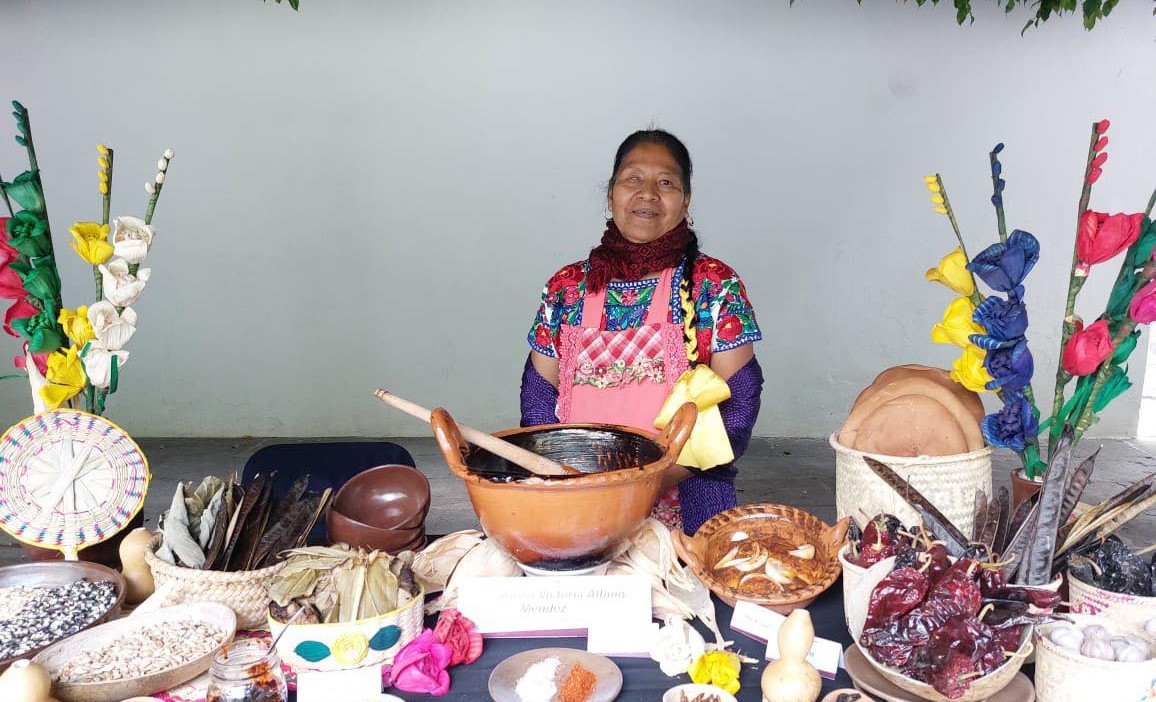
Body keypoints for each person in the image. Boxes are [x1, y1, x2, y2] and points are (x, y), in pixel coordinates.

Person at [519, 128, 764, 535]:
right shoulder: (568, 287)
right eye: (633, 178)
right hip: (578, 500)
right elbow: (539, 398)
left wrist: (644, 483)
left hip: (685, 503)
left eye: (666, 182)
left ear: (685, 202)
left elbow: (737, 407)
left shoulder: (715, 285)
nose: (648, 193)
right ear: (610, 194)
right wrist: (570, 476)